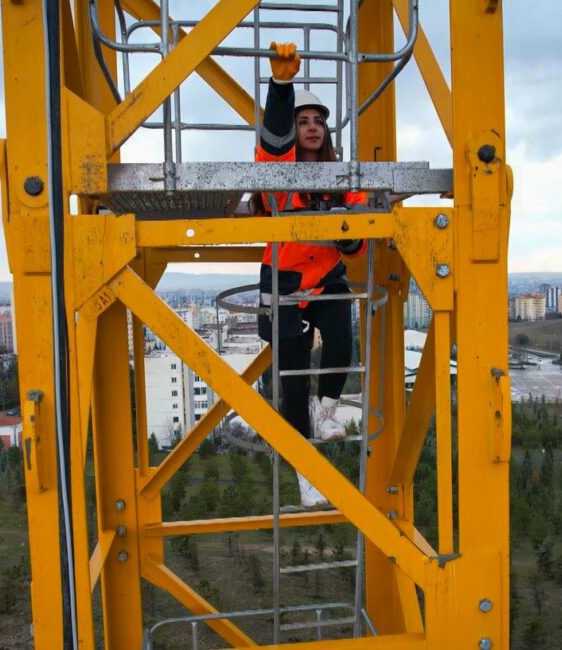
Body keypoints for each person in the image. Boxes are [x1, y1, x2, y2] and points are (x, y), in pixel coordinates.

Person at [255, 42, 366, 507]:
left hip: (326, 277)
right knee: (294, 381)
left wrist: (342, 230)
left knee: (343, 342)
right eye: (304, 122)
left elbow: (358, 239)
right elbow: (273, 141)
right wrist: (282, 88)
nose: (312, 128)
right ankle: (306, 474)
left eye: (318, 121)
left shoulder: (342, 178)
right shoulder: (279, 171)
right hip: (284, 282)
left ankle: (328, 413)